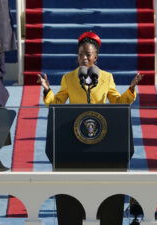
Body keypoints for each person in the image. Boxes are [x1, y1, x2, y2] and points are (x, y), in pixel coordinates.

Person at [37, 31, 143, 225]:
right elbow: (57, 103)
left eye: (88, 54)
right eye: (80, 55)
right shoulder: (68, 78)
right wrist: (46, 89)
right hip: (74, 135)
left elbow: (118, 102)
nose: (83, 58)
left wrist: (131, 89)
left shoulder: (107, 77)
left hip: (102, 137)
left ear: (96, 57)